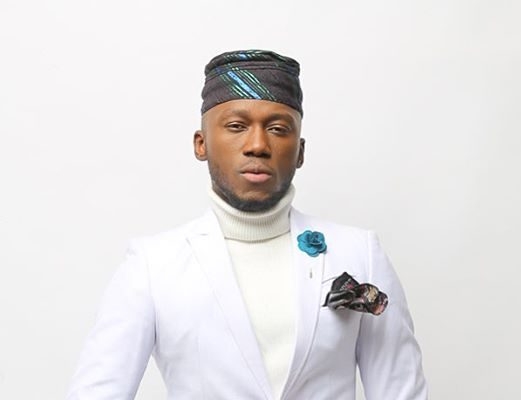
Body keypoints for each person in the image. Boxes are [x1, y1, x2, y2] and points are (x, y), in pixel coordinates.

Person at [66, 49, 428, 400]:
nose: (257, 145)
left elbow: (401, 392)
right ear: (201, 144)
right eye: (237, 126)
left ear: (300, 151)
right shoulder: (152, 265)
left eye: (278, 128)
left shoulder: (360, 254)